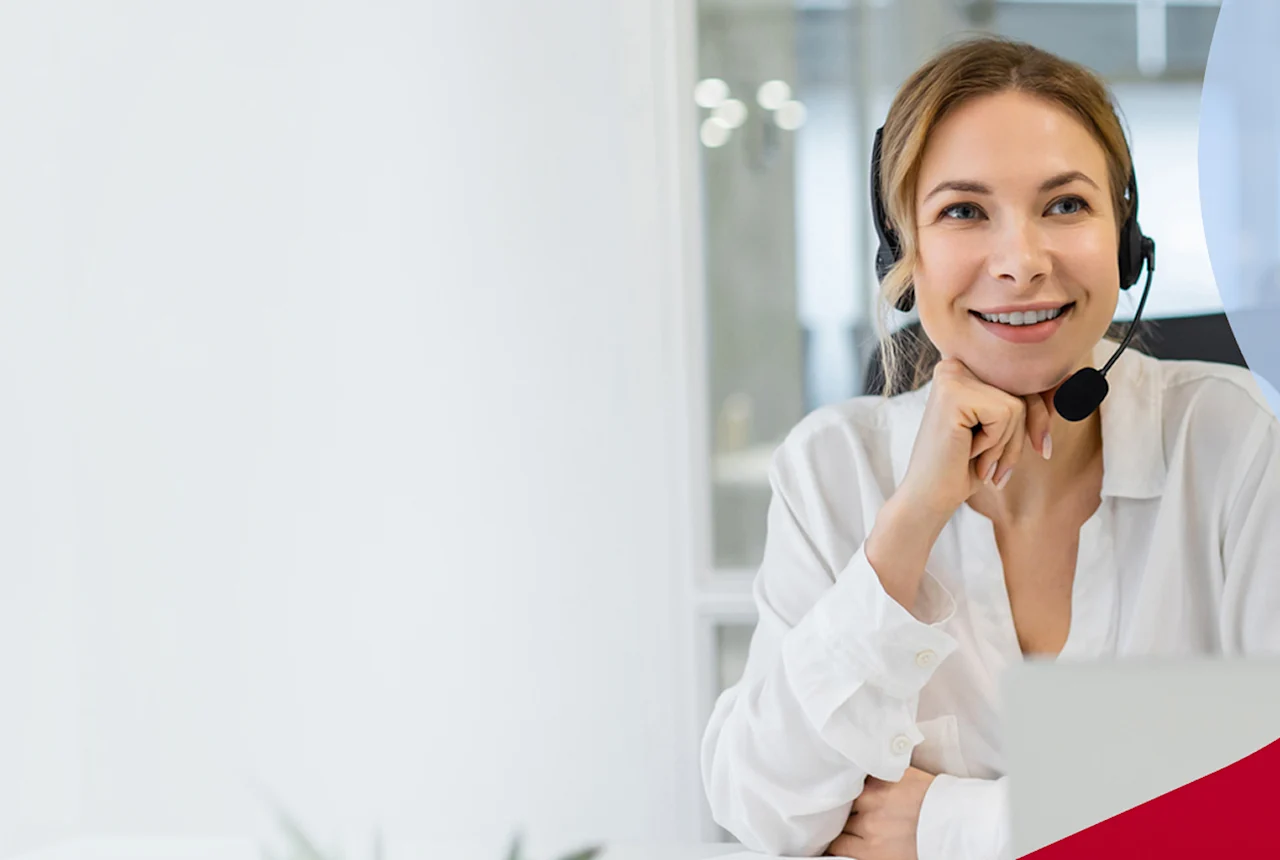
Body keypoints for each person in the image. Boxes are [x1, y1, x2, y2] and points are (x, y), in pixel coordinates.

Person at [700, 36, 1280, 860]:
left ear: (1125, 243)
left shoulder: (1233, 444)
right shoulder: (832, 471)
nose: (1021, 262)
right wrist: (908, 524)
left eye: (1066, 205)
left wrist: (945, 824)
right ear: (905, 255)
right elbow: (763, 810)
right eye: (964, 212)